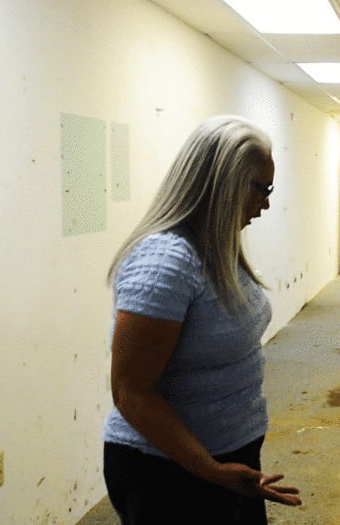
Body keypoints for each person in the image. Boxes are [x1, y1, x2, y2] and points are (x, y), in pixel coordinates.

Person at [102, 116, 301, 524]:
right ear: (225, 183)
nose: (266, 204)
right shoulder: (167, 261)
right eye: (262, 189)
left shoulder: (218, 248)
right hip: (167, 471)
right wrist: (209, 470)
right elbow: (130, 391)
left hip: (225, 460)